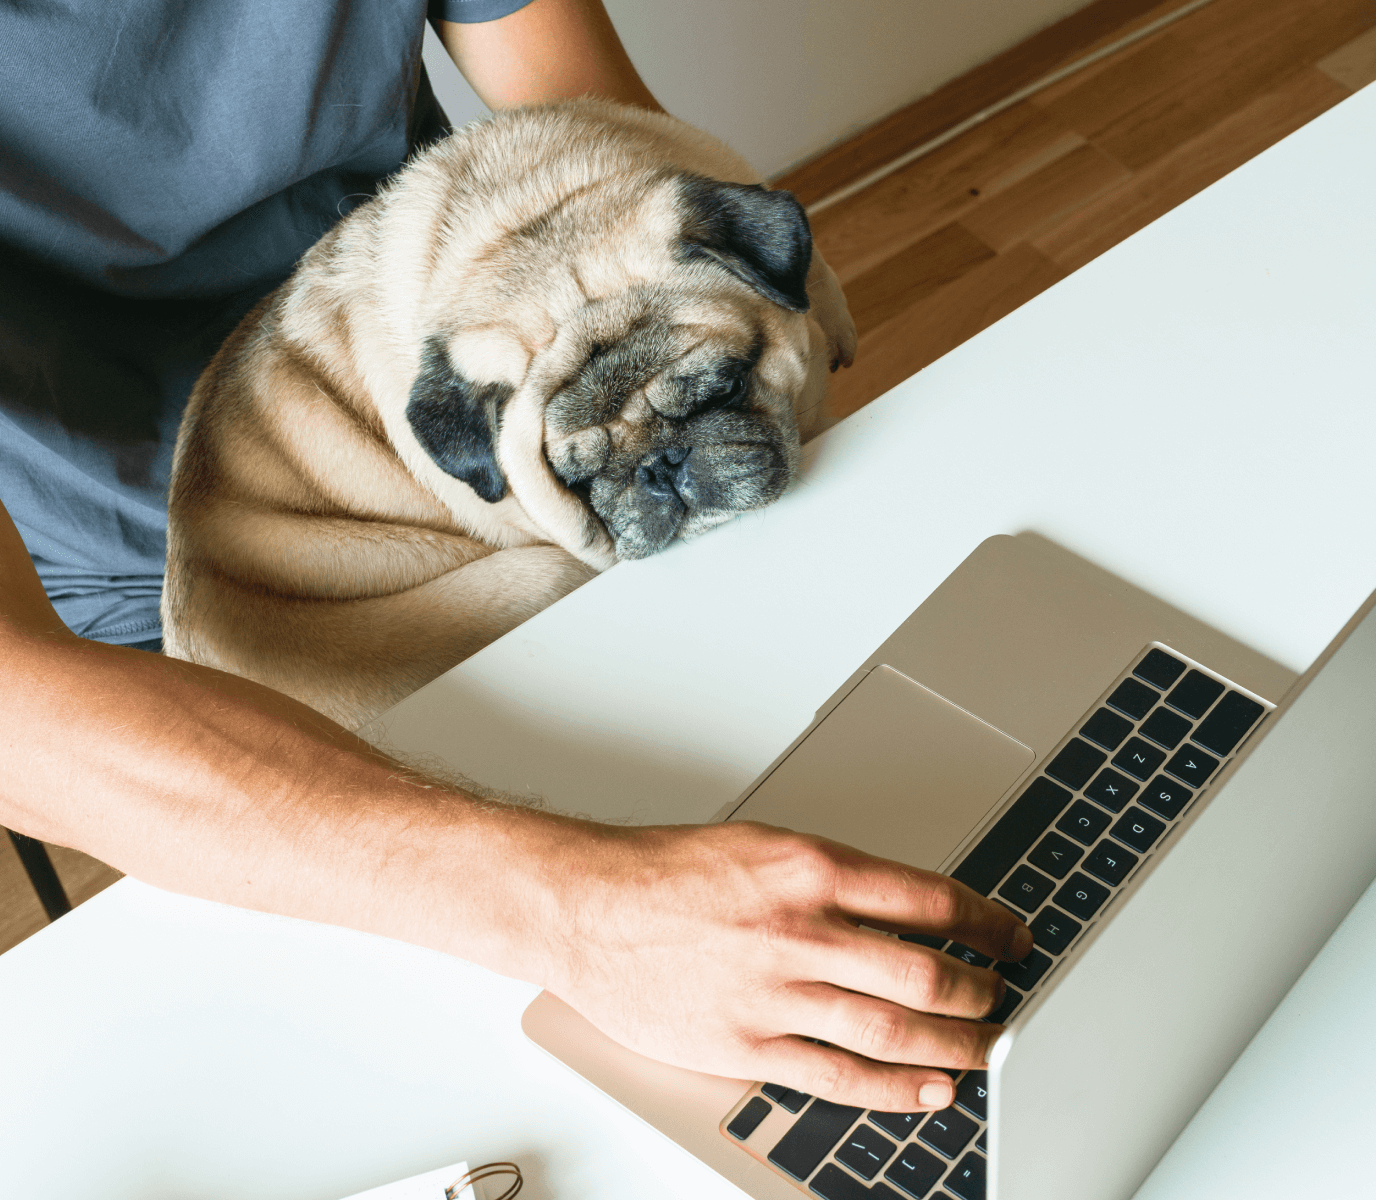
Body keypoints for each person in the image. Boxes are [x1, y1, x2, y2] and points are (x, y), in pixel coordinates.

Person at [0, 0, 1030, 1114]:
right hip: (162, 606)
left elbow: (588, 112)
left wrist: (768, 357)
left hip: (478, 348)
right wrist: (586, 915)